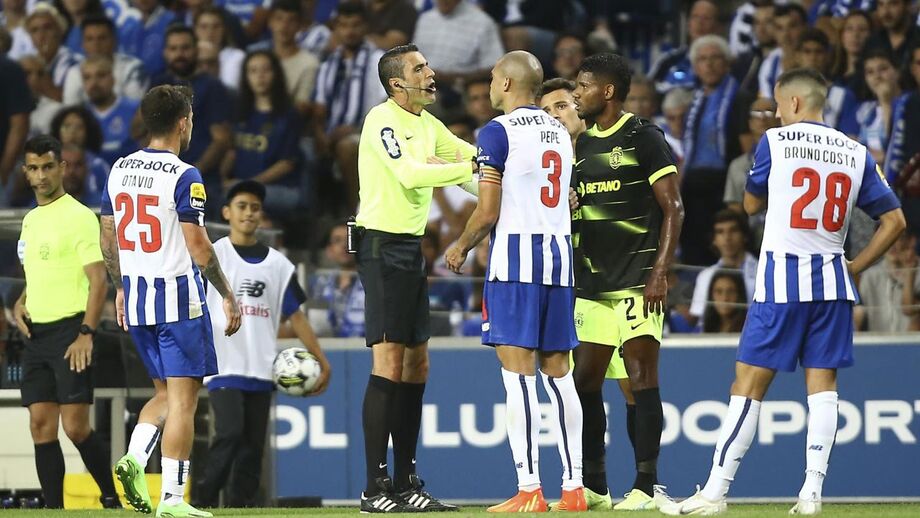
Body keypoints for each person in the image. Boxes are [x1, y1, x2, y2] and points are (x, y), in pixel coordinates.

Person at [662, 68, 906, 516]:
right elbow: (895, 222)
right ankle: (811, 494)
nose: (774, 114)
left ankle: (715, 493)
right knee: (823, 388)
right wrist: (854, 265)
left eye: (776, 105)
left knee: (748, 385)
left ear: (793, 103)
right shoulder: (855, 151)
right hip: (833, 283)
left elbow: (751, 204)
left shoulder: (775, 142)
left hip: (782, 282)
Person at [443, 50, 584, 513]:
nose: (487, 84)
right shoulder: (561, 131)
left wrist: (461, 245)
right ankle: (574, 488)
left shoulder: (497, 132)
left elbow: (488, 211)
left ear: (505, 84)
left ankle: (529, 490)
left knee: (518, 377)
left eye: (491, 77)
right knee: (559, 375)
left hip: (516, 266)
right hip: (559, 263)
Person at [100, 84, 242, 517]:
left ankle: (134, 459)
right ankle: (174, 502)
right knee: (185, 401)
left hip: (139, 299)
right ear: (184, 123)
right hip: (178, 301)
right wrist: (227, 294)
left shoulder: (118, 168)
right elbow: (199, 247)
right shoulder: (185, 176)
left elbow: (108, 237)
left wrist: (121, 287)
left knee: (163, 394)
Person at [355, 43, 477, 513]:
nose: (431, 73)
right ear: (396, 84)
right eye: (420, 68)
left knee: (416, 365)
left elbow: (473, 166)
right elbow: (410, 174)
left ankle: (406, 481)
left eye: (428, 65)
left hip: (409, 248)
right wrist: (477, 167)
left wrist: (505, 176)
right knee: (387, 364)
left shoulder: (428, 125)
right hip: (381, 246)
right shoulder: (381, 120)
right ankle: (373, 488)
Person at [570, 52, 684, 511]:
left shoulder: (644, 136)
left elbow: (674, 207)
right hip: (592, 283)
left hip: (638, 279)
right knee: (585, 383)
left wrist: (660, 271)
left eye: (583, 85)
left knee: (641, 379)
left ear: (608, 91)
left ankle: (645, 485)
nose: (576, 93)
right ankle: (596, 485)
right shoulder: (581, 144)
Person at [196, 180, 330, 508]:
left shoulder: (278, 265)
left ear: (261, 215)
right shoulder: (214, 255)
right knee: (228, 434)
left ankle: (240, 509)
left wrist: (320, 359)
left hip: (262, 367)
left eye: (255, 207)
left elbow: (295, 316)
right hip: (224, 365)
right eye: (242, 206)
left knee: (253, 448)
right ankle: (200, 504)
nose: (249, 213)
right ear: (227, 212)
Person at [13, 135, 120, 510]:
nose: (41, 175)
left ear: (62, 168)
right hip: (36, 335)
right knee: (40, 426)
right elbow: (38, 271)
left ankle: (110, 497)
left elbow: (98, 280)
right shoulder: (30, 220)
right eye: (33, 168)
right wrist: (21, 303)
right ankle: (54, 509)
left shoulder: (78, 216)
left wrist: (86, 333)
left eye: (47, 167)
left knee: (75, 427)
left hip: (71, 331)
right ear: (26, 172)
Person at [682, 34, 754, 266]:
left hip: (723, 184)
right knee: (693, 246)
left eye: (715, 58)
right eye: (703, 59)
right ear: (695, 66)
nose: (709, 64)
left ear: (727, 62)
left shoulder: (740, 97)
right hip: (693, 186)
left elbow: (746, 145)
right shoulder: (693, 99)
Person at [313, 0, 384, 212]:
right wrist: (320, 135)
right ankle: (318, 216)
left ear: (365, 27)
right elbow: (319, 108)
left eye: (355, 25)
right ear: (336, 28)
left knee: (348, 146)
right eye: (343, 25)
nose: (349, 31)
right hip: (332, 132)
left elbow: (386, 105)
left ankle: (358, 213)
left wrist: (355, 128)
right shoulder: (328, 63)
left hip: (367, 131)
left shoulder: (378, 60)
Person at [221, 50, 304, 215]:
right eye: (253, 71)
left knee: (243, 200)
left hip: (279, 188)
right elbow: (232, 152)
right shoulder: (240, 112)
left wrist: (250, 184)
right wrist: (222, 177)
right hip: (242, 186)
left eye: (266, 70)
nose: (260, 76)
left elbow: (287, 163)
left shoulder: (289, 115)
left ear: (276, 74)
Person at [151, 25, 232, 188]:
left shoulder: (212, 86)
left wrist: (193, 173)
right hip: (160, 176)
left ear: (196, 50)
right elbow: (140, 130)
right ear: (165, 53)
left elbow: (221, 139)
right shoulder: (157, 82)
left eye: (185, 48)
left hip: (201, 179)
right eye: (173, 49)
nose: (179, 54)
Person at [688, 209, 758, 328]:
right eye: (720, 232)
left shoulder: (762, 271)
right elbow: (700, 319)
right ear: (714, 240)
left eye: (733, 230)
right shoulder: (705, 276)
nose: (727, 238)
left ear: (745, 236)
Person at [62, 14, 147, 105]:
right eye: (90, 39)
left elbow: (135, 108)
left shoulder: (132, 68)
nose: (96, 44)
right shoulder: (74, 72)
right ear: (82, 44)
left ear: (114, 41)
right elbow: (70, 110)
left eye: (102, 38)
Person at [648, 0, 720, 95]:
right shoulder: (667, 61)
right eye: (695, 17)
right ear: (688, 23)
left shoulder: (723, 63)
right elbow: (645, 91)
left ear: (717, 26)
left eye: (706, 18)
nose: (699, 23)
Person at [81, 55, 141, 165]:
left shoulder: (136, 110)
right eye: (87, 77)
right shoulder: (80, 116)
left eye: (101, 75)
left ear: (113, 78)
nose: (94, 82)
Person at [856, 230, 920, 332]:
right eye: (884, 238)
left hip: (912, 343)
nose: (891, 244)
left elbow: (909, 309)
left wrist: (909, 273)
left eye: (897, 238)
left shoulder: (917, 272)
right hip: (877, 344)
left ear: (911, 241)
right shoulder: (870, 276)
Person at [25, 3, 81, 102]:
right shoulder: (27, 64)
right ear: (30, 38)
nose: (41, 35)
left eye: (47, 28)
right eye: (34, 30)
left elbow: (67, 103)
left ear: (60, 30)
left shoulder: (74, 63)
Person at [758, 3, 807, 100]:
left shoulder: (816, 57)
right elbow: (766, 101)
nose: (786, 34)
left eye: (792, 26)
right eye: (780, 28)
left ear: (805, 27)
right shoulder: (770, 62)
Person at [864, 0, 920, 69]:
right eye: (881, 4)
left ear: (907, 6)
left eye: (893, 4)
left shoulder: (918, 38)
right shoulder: (872, 42)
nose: (885, 12)